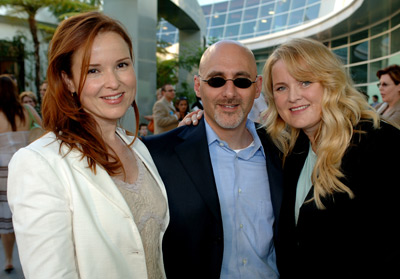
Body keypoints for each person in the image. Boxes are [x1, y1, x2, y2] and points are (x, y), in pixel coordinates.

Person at [7, 12, 169, 279]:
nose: (114, 82)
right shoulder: (39, 164)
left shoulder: (137, 147)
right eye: (93, 70)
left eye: (121, 65)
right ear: (68, 80)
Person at [142, 40, 283, 279]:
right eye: (216, 81)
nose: (229, 93)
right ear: (198, 86)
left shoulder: (284, 151)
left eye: (241, 81)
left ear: (257, 87)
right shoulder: (158, 154)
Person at [262, 38, 400, 279]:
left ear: (330, 83)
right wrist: (198, 123)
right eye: (281, 87)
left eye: (305, 82)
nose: (293, 96)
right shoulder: (293, 148)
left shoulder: (379, 143)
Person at [0, 75, 41, 273]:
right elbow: (44, 130)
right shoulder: (27, 110)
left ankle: (8, 259)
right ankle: (30, 261)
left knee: (5, 219)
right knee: (28, 215)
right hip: (26, 169)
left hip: (2, 172)